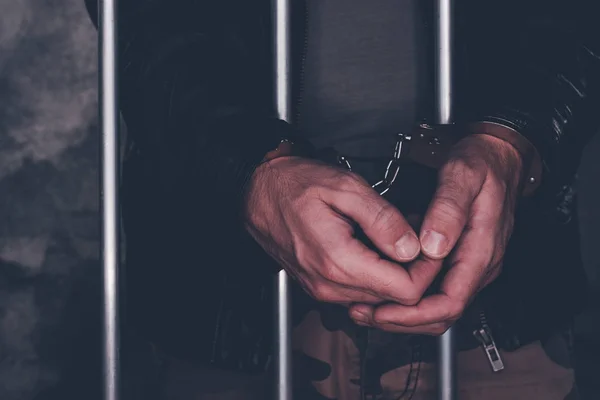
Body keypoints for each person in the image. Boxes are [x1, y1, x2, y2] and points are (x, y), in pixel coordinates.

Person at [85, 0, 599, 399]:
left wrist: (510, 140)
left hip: (499, 298)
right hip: (225, 298)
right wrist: (246, 167)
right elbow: (143, 20)